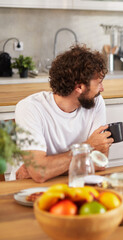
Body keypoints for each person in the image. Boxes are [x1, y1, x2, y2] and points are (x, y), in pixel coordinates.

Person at [12, 45, 113, 182]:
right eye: (99, 83)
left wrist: (48, 169)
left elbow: (100, 162)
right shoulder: (30, 108)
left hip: (72, 184)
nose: (102, 88)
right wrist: (88, 147)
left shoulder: (96, 102)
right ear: (79, 87)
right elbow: (40, 173)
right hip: (27, 189)